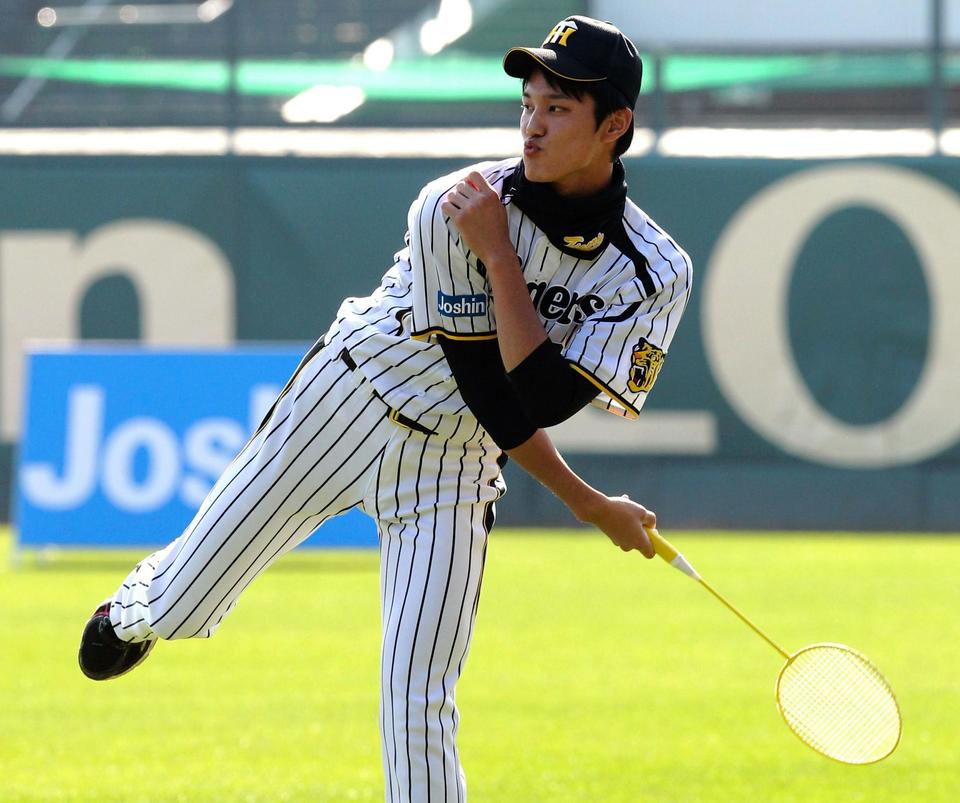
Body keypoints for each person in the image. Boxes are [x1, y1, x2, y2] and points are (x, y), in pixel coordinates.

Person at [78, 15, 692, 802]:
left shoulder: (653, 271)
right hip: (351, 397)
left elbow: (540, 399)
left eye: (558, 109)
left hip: (453, 466)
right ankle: (134, 607)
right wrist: (588, 501)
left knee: (417, 702)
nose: (532, 125)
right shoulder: (453, 204)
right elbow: (495, 391)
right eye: (528, 103)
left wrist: (500, 257)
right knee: (186, 600)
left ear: (616, 126)